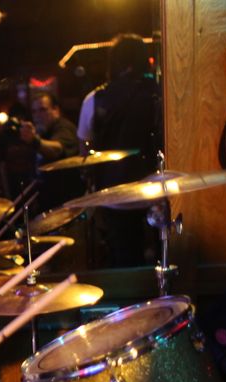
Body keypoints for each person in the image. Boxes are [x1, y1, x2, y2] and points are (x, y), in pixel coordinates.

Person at [77, 33, 162, 266]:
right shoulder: (159, 93)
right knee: (161, 255)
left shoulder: (94, 99)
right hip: (155, 190)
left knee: (124, 259)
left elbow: (84, 149)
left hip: (113, 194)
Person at [0, 92, 79, 199]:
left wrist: (34, 140)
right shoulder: (42, 131)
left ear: (56, 110)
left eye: (42, 110)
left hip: (66, 198)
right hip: (47, 198)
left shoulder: (64, 127)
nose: (37, 116)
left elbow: (57, 149)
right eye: (34, 111)